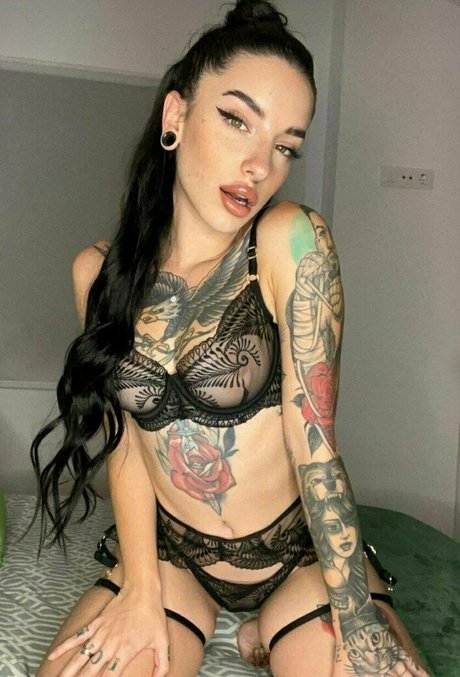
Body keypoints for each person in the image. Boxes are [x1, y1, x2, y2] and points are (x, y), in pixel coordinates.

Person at [30, 1, 429, 675]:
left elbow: (316, 446)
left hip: (296, 556)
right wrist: (140, 590)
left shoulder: (289, 240)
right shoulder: (97, 274)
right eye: (237, 119)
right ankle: (237, 627)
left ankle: (272, 628)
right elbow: (127, 444)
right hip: (173, 555)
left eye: (285, 146)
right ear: (176, 115)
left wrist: (357, 615)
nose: (259, 165)